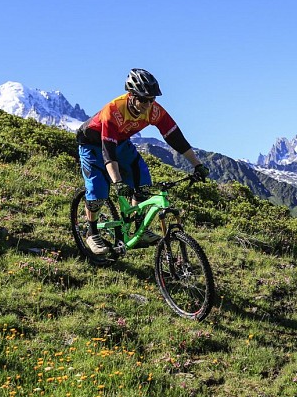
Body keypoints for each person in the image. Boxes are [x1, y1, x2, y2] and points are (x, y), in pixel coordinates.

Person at [76, 68, 209, 256]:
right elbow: (108, 152)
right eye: (144, 99)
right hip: (92, 144)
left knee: (143, 181)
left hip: (121, 142)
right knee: (98, 190)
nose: (149, 104)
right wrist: (117, 181)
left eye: (152, 99)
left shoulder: (154, 110)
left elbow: (175, 138)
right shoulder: (113, 111)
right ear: (131, 95)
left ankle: (140, 229)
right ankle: (91, 231)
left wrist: (197, 164)